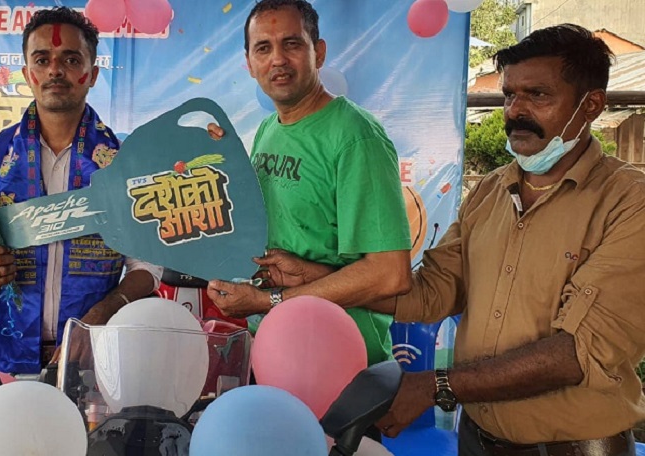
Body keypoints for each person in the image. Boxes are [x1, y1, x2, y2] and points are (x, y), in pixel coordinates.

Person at [263, 24, 645, 455]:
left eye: (537, 95)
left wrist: (436, 385)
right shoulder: (490, 191)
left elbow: (578, 352)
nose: (515, 111)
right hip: (478, 438)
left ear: (591, 105)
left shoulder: (629, 203)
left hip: (575, 446)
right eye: (509, 95)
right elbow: (433, 292)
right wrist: (317, 276)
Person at [0, 7, 162, 374]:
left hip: (96, 355)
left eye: (71, 59)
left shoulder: (126, 163)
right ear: (27, 74)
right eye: (42, 59)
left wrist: (101, 315)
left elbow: (147, 265)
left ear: (92, 74)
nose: (55, 70)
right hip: (7, 356)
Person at [206, 0, 412, 367]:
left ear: (319, 52)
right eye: (263, 48)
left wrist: (269, 301)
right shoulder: (269, 129)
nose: (278, 59)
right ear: (249, 64)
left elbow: (389, 273)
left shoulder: (355, 136)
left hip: (337, 359)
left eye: (292, 44)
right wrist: (224, 169)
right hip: (277, 350)